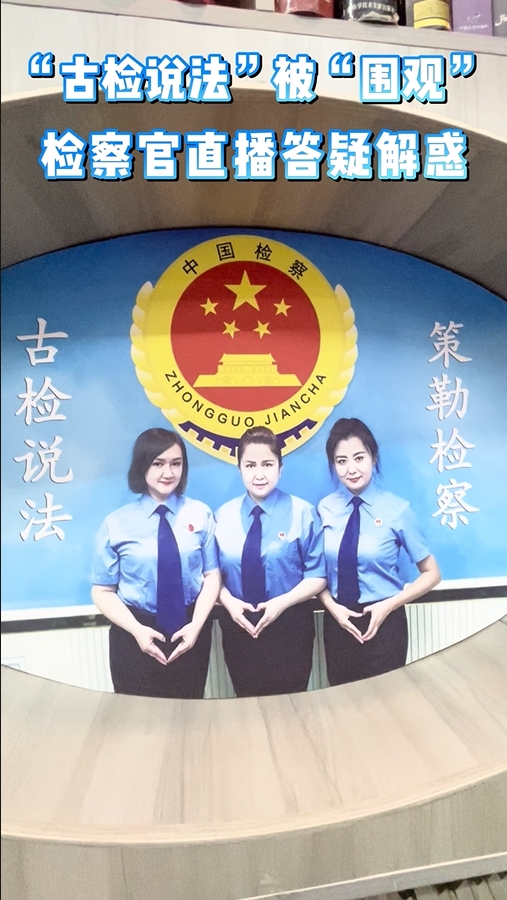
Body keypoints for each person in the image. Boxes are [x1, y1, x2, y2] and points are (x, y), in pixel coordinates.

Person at [91, 428, 220, 698]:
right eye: (158, 463)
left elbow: (212, 576)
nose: (168, 472)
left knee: (189, 713)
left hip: (190, 629)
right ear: (142, 466)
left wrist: (196, 626)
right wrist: (137, 630)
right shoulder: (117, 523)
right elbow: (102, 591)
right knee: (137, 717)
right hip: (134, 632)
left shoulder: (200, 514)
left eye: (176, 463)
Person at [318, 417, 441, 686]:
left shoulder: (397, 509)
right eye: (341, 461)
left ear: (373, 458)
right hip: (338, 624)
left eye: (359, 458)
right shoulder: (325, 508)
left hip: (386, 623)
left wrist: (389, 605)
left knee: (387, 703)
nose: (351, 469)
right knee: (341, 702)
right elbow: (317, 574)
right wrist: (333, 609)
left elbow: (432, 573)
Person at [214, 426, 326, 697]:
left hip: (290, 626)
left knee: (292, 707)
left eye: (267, 464)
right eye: (250, 465)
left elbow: (318, 575)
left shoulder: (303, 513)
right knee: (247, 706)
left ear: (280, 468)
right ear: (239, 468)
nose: (259, 474)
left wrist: (281, 603)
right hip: (239, 626)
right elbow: (210, 576)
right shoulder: (222, 517)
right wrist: (229, 603)